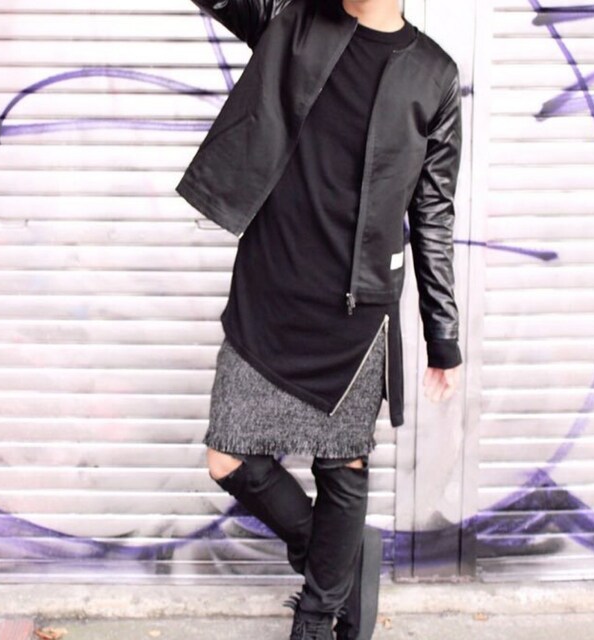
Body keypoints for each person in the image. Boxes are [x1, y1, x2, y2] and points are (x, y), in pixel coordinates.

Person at [177, 0, 464, 638]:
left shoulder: (435, 75)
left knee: (343, 466)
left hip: (355, 311)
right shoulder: (289, 17)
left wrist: (442, 335)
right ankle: (339, 562)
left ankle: (314, 619)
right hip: (270, 290)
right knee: (228, 457)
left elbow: (433, 216)